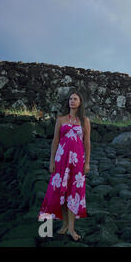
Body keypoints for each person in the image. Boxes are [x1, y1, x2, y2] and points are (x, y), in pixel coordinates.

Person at [38, 91, 91, 241]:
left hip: (77, 161)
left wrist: (87, 162)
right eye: (70, 99)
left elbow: (87, 143)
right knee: (61, 190)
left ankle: (72, 229)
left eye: (75, 99)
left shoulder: (84, 120)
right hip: (61, 160)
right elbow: (55, 141)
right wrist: (51, 161)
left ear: (80, 102)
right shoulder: (60, 119)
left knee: (74, 192)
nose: (72, 101)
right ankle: (65, 225)